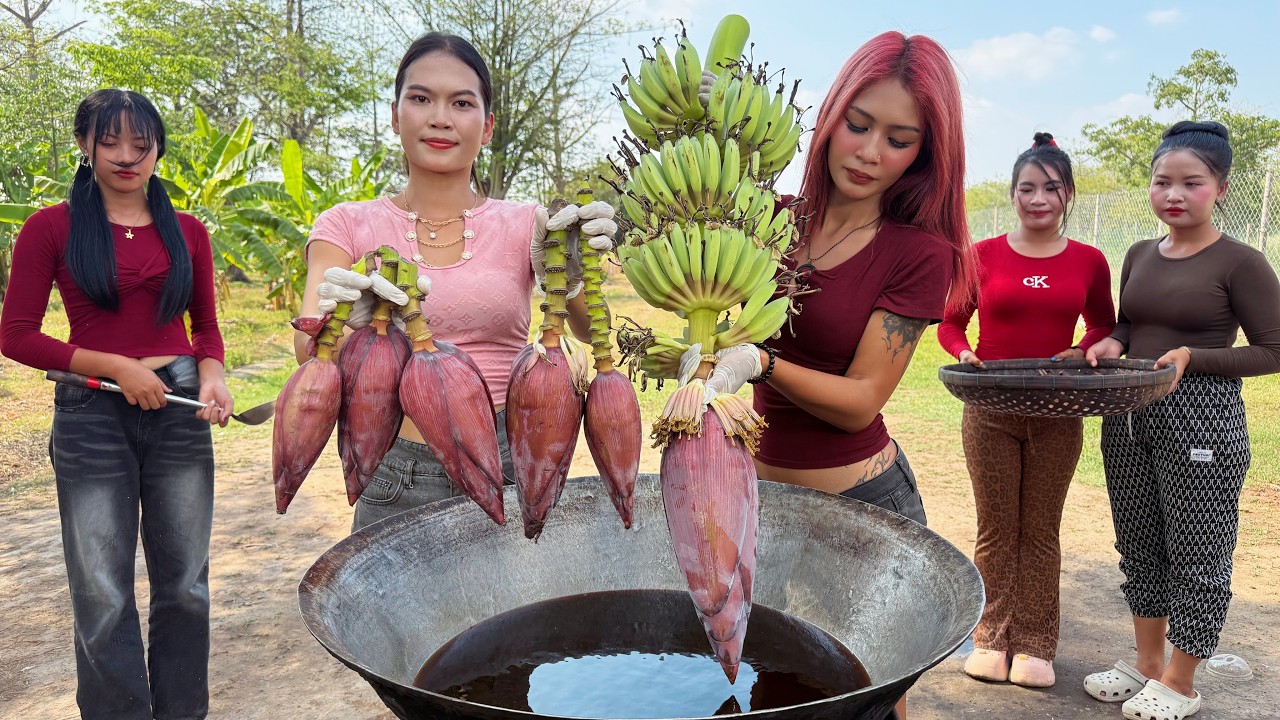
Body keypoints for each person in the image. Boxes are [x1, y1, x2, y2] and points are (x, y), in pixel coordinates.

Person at [691, 31, 976, 719]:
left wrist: (761, 361)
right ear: (830, 116)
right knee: (760, 688)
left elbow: (860, 402)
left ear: (926, 153)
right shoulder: (770, 222)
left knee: (865, 697)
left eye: (900, 138)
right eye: (859, 124)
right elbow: (695, 255)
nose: (872, 151)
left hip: (862, 508)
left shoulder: (919, 253)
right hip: (758, 504)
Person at [295, 32, 613, 531]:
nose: (440, 117)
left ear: (486, 127)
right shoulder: (346, 224)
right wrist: (339, 318)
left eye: (461, 103)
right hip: (398, 469)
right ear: (396, 115)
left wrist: (572, 278)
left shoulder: (527, 223)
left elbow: (592, 335)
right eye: (421, 98)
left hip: (514, 462)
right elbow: (303, 346)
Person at [0, 90, 232, 720]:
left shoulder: (187, 230)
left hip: (179, 406)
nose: (127, 155)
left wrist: (211, 377)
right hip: (91, 413)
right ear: (84, 144)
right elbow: (16, 334)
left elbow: (205, 328)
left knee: (185, 586)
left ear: (158, 147)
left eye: (142, 142)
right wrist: (115, 367)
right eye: (109, 141)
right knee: (102, 590)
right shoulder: (51, 227)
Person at [1082, 121, 1280, 720]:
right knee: (1138, 540)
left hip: (1203, 421)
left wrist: (1195, 360)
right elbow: (1128, 325)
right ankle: (1147, 664)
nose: (1174, 194)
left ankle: (1181, 680)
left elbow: (1273, 350)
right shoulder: (1139, 253)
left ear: (1220, 187)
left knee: (1197, 549)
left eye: (1191, 183)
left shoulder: (1241, 262)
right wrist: (1113, 343)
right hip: (1130, 415)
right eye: (1161, 181)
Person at [937, 132, 1115, 688]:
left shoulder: (1089, 260)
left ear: (1068, 195)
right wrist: (962, 351)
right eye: (1027, 188)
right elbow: (949, 322)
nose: (1038, 199)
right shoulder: (981, 255)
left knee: (1040, 530)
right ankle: (990, 638)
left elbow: (1105, 325)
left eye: (1051, 188)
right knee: (995, 527)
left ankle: (1037, 645)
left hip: (1058, 409)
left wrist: (1086, 349)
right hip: (990, 408)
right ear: (1013, 194)